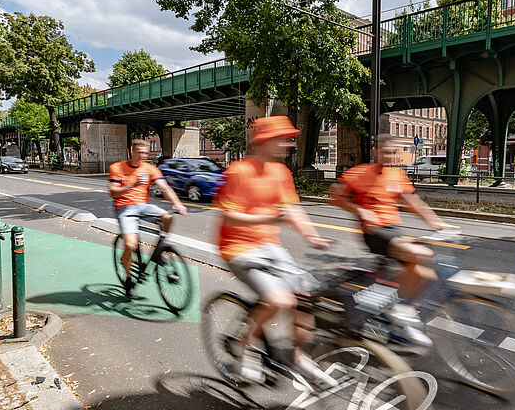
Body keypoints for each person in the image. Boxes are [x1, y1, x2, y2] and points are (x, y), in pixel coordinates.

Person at [215, 116, 333, 386]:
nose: (287, 144)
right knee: (280, 300)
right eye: (281, 139)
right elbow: (231, 219)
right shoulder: (237, 172)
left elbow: (291, 209)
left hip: (269, 246)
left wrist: (313, 236)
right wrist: (268, 218)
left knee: (305, 294)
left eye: (288, 139)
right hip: (238, 248)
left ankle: (298, 356)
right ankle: (244, 344)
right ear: (262, 141)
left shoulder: (281, 172)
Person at [331, 134, 452, 346]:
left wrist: (436, 222)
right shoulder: (360, 173)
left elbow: (413, 202)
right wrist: (360, 211)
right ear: (374, 152)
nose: (389, 156)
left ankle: (404, 312)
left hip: (394, 231)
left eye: (392, 152)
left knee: (428, 273)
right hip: (374, 232)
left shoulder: (397, 174)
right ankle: (402, 312)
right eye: (384, 151)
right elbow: (335, 196)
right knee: (421, 254)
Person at [110, 138, 187, 299]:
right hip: (124, 207)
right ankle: (129, 280)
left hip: (143, 206)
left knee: (167, 218)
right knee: (130, 245)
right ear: (132, 151)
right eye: (139, 153)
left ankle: (160, 250)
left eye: (145, 153)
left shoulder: (150, 168)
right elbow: (113, 193)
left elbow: (164, 187)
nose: (143, 156)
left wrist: (177, 203)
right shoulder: (117, 167)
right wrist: (133, 184)